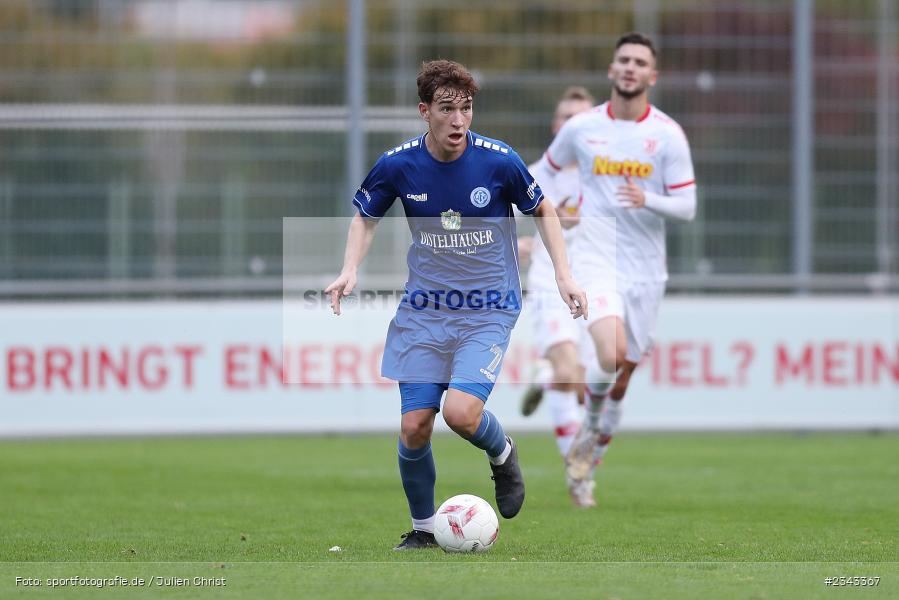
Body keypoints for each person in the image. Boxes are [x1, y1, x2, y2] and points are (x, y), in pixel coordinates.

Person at [325, 59, 587, 549]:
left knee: (461, 414)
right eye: (446, 109)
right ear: (425, 111)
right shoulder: (398, 164)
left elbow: (545, 209)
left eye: (466, 109)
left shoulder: (498, 161)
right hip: (424, 312)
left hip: (487, 309)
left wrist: (564, 275)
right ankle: (423, 531)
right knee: (414, 425)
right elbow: (365, 216)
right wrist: (349, 269)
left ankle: (502, 452)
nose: (458, 120)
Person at [541, 33, 697, 505]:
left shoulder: (667, 134)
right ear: (611, 71)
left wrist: (646, 198)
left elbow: (688, 206)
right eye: (623, 60)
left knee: (621, 377)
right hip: (596, 255)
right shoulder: (582, 128)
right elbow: (543, 174)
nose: (630, 68)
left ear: (652, 75)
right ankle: (586, 431)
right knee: (610, 352)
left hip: (646, 269)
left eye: (639, 62)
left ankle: (585, 462)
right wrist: (545, 207)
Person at [516, 87, 596, 505]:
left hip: (601, 285)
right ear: (556, 127)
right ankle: (580, 477)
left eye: (583, 118)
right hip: (551, 283)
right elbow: (494, 229)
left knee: (586, 384)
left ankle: (546, 380)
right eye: (567, 118)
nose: (574, 125)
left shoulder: (607, 174)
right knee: (569, 368)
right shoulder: (535, 174)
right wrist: (520, 246)